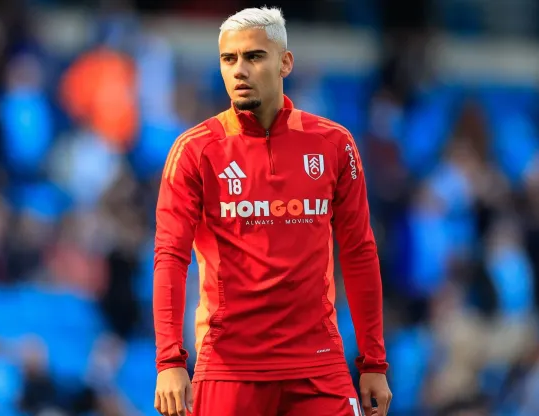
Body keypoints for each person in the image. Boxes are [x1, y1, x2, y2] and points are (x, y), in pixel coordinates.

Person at [153, 7, 392, 416]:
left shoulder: (334, 145)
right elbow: (170, 257)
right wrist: (170, 362)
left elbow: (359, 253)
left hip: (319, 364)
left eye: (254, 56)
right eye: (229, 60)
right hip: (230, 369)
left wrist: (373, 362)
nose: (239, 70)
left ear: (285, 62)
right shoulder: (196, 151)